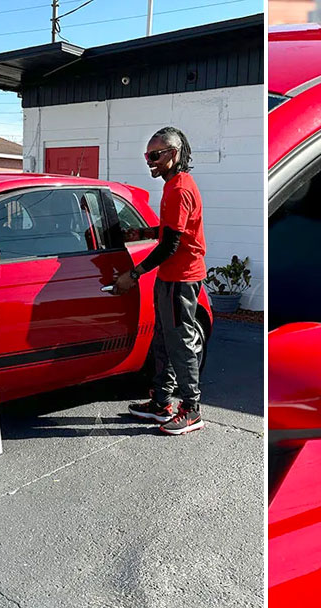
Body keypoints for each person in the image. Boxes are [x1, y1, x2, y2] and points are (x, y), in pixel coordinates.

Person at [113, 126, 207, 435]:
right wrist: (140, 233)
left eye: (156, 155)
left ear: (174, 154)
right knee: (164, 340)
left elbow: (172, 245)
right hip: (170, 277)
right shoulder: (172, 185)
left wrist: (134, 274)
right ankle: (161, 402)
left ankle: (191, 410)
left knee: (181, 343)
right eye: (147, 155)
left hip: (182, 279)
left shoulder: (180, 189)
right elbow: (169, 232)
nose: (150, 161)